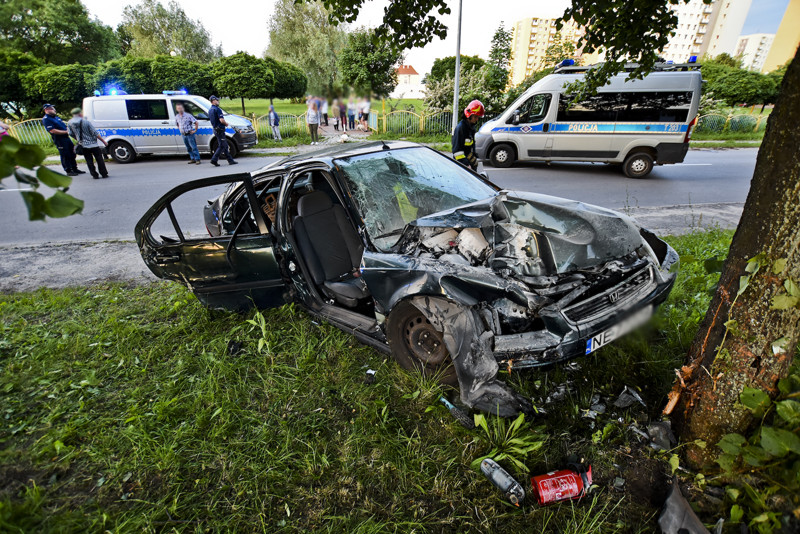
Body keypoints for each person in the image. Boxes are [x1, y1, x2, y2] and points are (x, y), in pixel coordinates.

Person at [42, 104, 82, 176]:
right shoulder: (46, 119)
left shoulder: (56, 118)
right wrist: (66, 132)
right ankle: (68, 170)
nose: (54, 109)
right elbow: (52, 130)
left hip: (66, 137)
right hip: (59, 139)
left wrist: (70, 132)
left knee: (72, 153)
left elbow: (65, 127)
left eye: (53, 108)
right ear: (46, 110)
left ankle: (74, 168)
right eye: (51, 108)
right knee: (65, 154)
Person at [67, 108, 109, 179]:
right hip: (93, 144)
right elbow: (94, 133)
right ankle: (103, 173)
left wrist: (78, 139)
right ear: (80, 113)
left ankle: (94, 175)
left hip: (83, 145)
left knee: (89, 160)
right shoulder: (86, 122)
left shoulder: (70, 123)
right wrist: (103, 141)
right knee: (99, 159)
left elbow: (70, 133)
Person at [452, 99, 484, 172]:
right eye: (475, 117)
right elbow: (457, 152)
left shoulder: (470, 127)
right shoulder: (461, 128)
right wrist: (466, 165)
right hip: (461, 166)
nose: (477, 119)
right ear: (469, 115)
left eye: (478, 117)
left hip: (468, 164)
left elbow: (469, 147)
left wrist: (474, 158)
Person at [208, 95, 237, 167]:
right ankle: (214, 159)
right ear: (213, 101)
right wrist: (226, 124)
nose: (218, 101)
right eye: (217, 100)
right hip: (220, 130)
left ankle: (230, 160)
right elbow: (221, 120)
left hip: (215, 129)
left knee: (224, 145)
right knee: (222, 146)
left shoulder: (210, 109)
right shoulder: (217, 109)